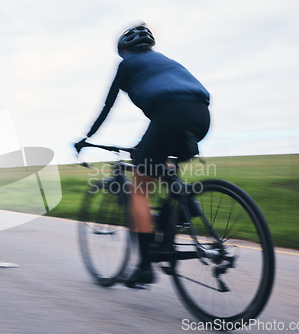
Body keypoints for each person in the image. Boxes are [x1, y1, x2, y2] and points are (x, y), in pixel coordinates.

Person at [75, 23, 211, 288]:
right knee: (157, 163)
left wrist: (87, 138)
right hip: (201, 116)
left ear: (124, 50)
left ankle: (145, 266)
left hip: (170, 115)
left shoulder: (127, 65)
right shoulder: (167, 62)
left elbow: (107, 106)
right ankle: (185, 206)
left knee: (139, 187)